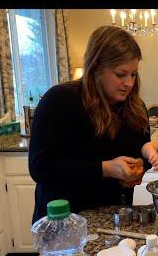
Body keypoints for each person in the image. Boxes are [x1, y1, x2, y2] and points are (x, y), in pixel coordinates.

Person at [29, 26, 151, 223]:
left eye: (134, 74)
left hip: (116, 216)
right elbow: (40, 168)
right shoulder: (60, 100)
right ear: (96, 68)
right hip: (65, 220)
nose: (129, 83)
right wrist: (106, 169)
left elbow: (141, 151)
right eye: (120, 74)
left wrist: (138, 168)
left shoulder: (135, 107)